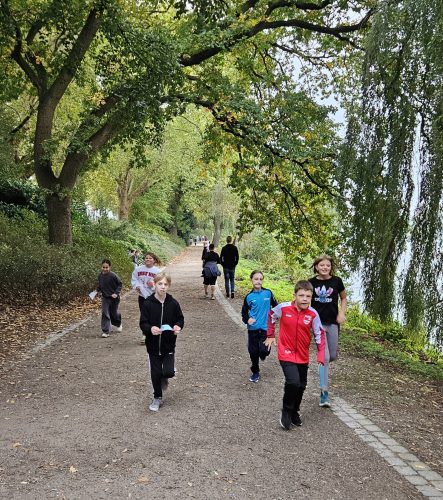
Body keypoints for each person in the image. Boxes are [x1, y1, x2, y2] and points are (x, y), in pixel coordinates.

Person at [265, 280, 325, 430]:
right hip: (286, 352)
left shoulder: (313, 314)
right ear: (295, 295)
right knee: (293, 382)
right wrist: (270, 335)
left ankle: (294, 411)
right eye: (301, 295)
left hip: (303, 355)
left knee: (301, 385)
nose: (305, 299)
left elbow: (319, 334)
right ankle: (286, 410)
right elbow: (271, 315)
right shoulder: (283, 308)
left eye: (308, 296)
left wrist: (321, 354)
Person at [140, 272, 184, 412]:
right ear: (154, 284)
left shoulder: (173, 303)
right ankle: (157, 397)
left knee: (169, 372)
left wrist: (178, 326)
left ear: (168, 286)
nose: (163, 287)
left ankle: (164, 377)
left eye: (165, 284)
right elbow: (143, 323)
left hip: (168, 345)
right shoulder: (148, 303)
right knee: (155, 373)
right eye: (160, 284)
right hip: (153, 346)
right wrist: (150, 329)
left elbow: (180, 319)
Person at [309, 255, 347, 408]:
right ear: (316, 267)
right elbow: (304, 299)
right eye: (322, 265)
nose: (325, 267)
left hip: (332, 323)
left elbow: (343, 298)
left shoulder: (337, 281)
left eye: (328, 265)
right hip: (318, 324)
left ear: (331, 267)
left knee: (332, 356)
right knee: (324, 358)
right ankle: (324, 393)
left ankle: (322, 363)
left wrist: (342, 313)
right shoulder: (311, 283)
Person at [241, 271, 277, 383]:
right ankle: (255, 372)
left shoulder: (268, 293)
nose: (258, 281)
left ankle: (263, 353)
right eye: (256, 279)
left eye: (261, 279)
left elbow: (276, 306)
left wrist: (275, 316)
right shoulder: (249, 297)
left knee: (264, 351)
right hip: (253, 329)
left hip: (266, 328)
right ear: (251, 280)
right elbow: (244, 313)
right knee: (253, 352)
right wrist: (248, 319)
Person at [131, 252, 162, 343]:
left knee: (153, 315)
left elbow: (161, 285)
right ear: (144, 259)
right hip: (142, 297)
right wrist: (136, 286)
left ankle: (155, 332)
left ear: (154, 260)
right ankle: (145, 334)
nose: (148, 259)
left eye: (150, 258)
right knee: (144, 315)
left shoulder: (157, 271)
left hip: (153, 297)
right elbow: (134, 279)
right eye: (146, 258)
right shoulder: (138, 269)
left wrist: (153, 285)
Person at [96, 259, 123, 338]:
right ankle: (106, 331)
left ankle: (118, 323)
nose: (105, 269)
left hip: (114, 298)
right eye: (103, 267)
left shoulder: (113, 275)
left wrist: (116, 293)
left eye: (106, 267)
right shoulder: (100, 275)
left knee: (113, 314)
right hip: (105, 297)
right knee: (105, 313)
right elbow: (100, 285)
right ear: (101, 267)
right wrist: (96, 290)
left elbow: (120, 284)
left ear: (110, 267)